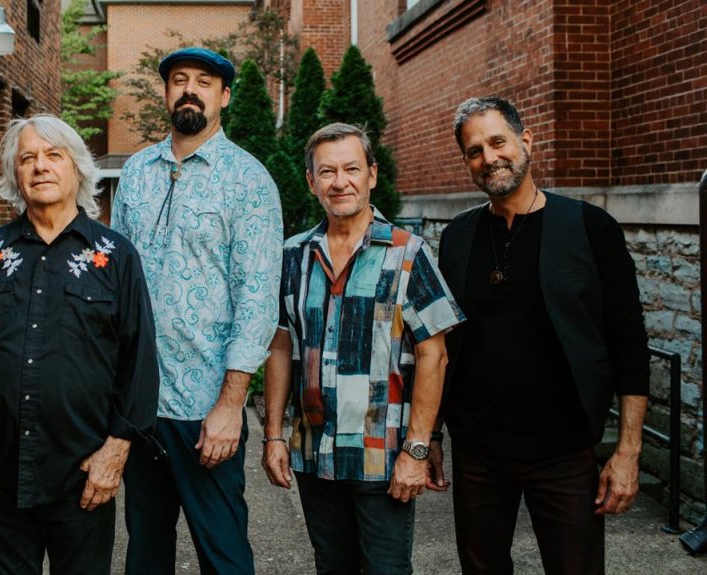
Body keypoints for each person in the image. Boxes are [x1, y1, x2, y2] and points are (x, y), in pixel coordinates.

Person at [434, 96, 650, 574]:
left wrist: (627, 450)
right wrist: (429, 436)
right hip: (479, 451)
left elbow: (629, 343)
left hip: (565, 451)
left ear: (525, 141)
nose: (488, 158)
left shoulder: (590, 228)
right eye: (474, 151)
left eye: (497, 142)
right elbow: (441, 345)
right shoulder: (457, 237)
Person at [0, 114, 159, 575]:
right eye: (27, 158)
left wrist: (115, 452)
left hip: (82, 473)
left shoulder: (115, 255)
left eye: (53, 155)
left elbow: (138, 359)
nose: (40, 166)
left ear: (77, 168)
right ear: (14, 176)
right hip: (0, 472)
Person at [261, 122, 466, 573]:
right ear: (311, 182)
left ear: (372, 174)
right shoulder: (292, 256)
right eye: (328, 172)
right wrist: (274, 435)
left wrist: (416, 451)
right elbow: (281, 347)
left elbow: (435, 354)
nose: (341, 182)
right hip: (316, 454)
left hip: (383, 457)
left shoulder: (408, 252)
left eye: (352, 169)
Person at [111, 46, 284, 574]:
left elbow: (257, 302)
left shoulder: (249, 181)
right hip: (142, 406)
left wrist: (231, 405)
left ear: (224, 96)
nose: (190, 89)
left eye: (204, 81)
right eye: (179, 80)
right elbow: (115, 284)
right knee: (145, 551)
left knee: (224, 553)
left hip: (208, 409)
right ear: (165, 93)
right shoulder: (136, 172)